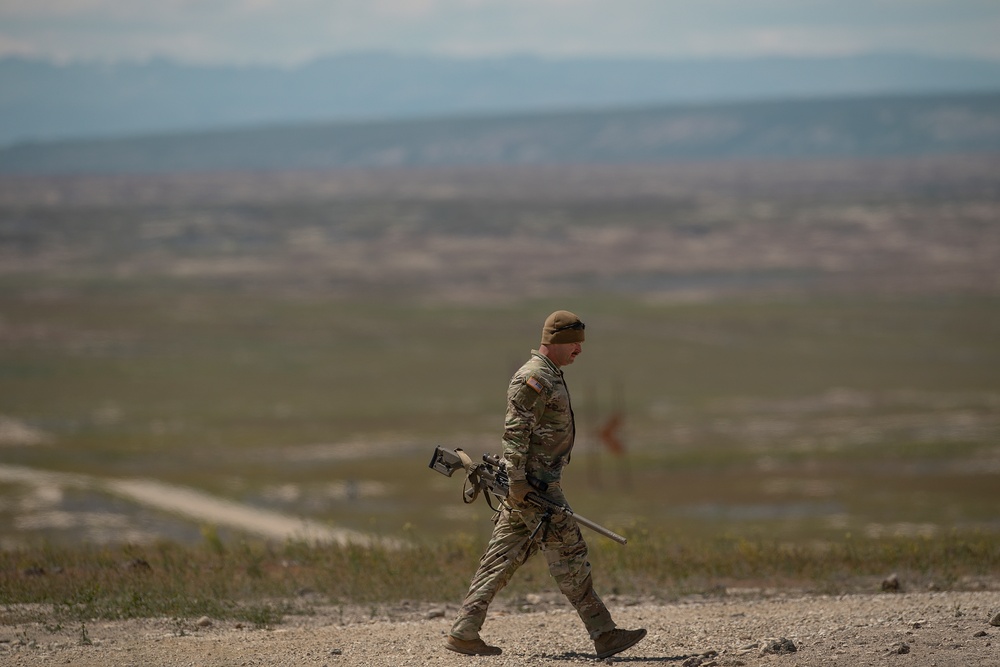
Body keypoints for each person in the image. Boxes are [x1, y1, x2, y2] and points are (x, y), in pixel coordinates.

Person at [445, 310, 647, 659]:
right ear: (555, 341)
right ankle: (604, 633)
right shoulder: (535, 377)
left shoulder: (550, 374)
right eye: (574, 344)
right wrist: (520, 483)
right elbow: (515, 432)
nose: (579, 351)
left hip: (532, 485)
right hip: (535, 488)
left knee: (501, 559)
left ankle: (464, 631)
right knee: (570, 556)